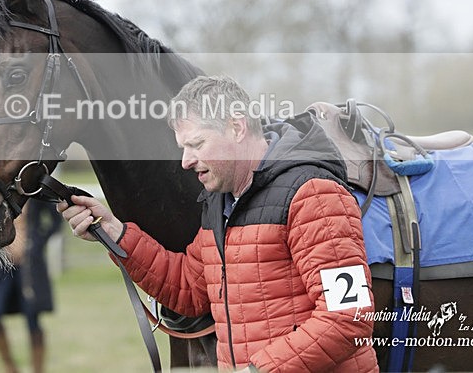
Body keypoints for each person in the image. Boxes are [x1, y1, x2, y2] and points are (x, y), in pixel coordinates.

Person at [58, 75, 379, 372]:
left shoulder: (314, 194)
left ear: (237, 128)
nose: (186, 161)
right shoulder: (221, 200)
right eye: (183, 147)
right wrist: (116, 233)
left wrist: (258, 370)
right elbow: (190, 289)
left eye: (196, 145)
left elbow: (349, 317)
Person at [0, 199, 62, 373]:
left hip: (29, 266)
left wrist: (38, 242)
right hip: (2, 266)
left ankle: (38, 369)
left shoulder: (34, 194)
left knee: (32, 318)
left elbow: (55, 220)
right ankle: (9, 366)